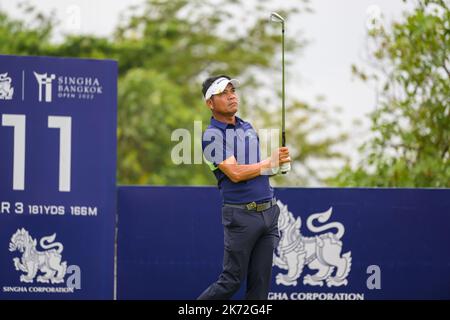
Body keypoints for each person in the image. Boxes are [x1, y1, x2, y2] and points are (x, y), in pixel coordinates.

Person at [198, 75, 291, 300]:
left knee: (259, 287)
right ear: (210, 103)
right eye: (223, 93)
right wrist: (270, 163)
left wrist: (277, 163)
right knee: (231, 281)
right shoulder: (211, 136)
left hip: (268, 214)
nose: (232, 96)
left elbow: (256, 167)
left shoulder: (246, 126)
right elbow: (236, 173)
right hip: (241, 216)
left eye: (232, 91)